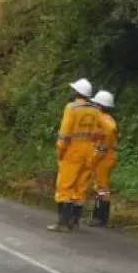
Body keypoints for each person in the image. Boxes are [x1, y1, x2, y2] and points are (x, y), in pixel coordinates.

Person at [48, 78, 102, 231]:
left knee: (65, 185)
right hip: (89, 151)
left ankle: (63, 223)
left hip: (73, 150)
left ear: (77, 92)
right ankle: (75, 221)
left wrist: (60, 149)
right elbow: (99, 133)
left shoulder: (71, 108)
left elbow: (65, 132)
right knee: (80, 186)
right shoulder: (96, 110)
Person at [88, 90, 117, 228]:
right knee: (100, 186)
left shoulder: (105, 119)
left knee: (102, 187)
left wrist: (101, 149)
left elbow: (110, 131)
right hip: (105, 156)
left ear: (100, 105)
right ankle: (98, 217)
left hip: (105, 157)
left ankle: (100, 218)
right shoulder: (104, 118)